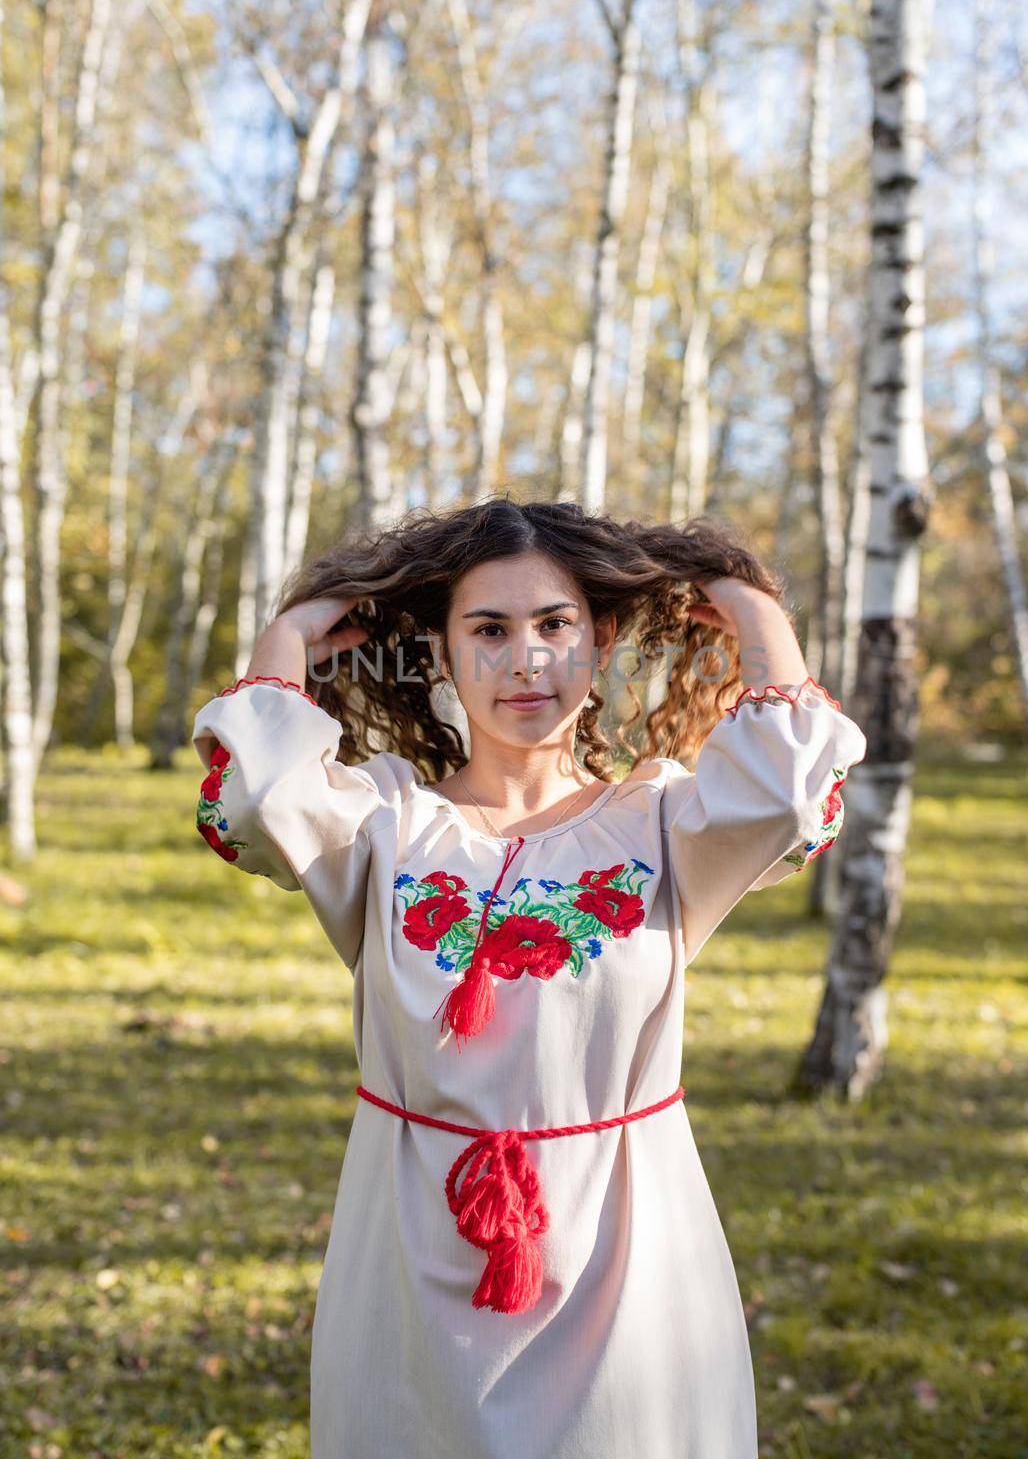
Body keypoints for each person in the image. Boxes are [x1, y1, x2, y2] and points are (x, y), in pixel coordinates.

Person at [191, 496, 867, 1459]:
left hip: (629, 1266)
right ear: (443, 650)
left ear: (598, 641)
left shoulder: (666, 824)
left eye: (555, 626)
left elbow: (796, 790)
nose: (526, 660)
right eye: (489, 629)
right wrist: (290, 631)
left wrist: (753, 609)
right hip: (410, 1257)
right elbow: (254, 801)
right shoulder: (383, 823)